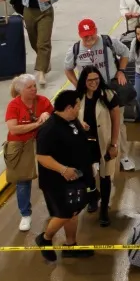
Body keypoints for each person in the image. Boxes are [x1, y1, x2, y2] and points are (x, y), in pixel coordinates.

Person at [32, 88, 96, 261]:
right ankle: (45, 238)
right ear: (69, 107)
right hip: (56, 182)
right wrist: (63, 169)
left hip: (75, 178)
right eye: (77, 106)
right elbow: (41, 157)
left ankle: (70, 245)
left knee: (73, 212)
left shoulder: (72, 121)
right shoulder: (49, 129)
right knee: (64, 213)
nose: (79, 109)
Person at [74, 65, 126, 226]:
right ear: (84, 81)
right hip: (84, 144)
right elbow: (71, 116)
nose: (94, 83)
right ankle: (92, 197)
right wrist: (79, 123)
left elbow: (116, 121)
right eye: (90, 80)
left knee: (105, 176)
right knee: (86, 175)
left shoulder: (108, 95)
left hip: (104, 143)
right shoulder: (78, 97)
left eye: (96, 79)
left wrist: (114, 144)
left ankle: (104, 209)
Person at [3, 73, 52, 231]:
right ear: (21, 91)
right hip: (21, 145)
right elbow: (14, 129)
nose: (34, 89)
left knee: (48, 176)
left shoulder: (43, 101)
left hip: (41, 143)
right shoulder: (14, 106)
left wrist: (48, 116)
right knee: (23, 181)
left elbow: (56, 119)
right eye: (29, 87)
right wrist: (38, 123)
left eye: (34, 86)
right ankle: (25, 214)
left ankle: (53, 208)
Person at [2, 0, 61, 77]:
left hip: (45, 12)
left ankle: (41, 72)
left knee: (43, 43)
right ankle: (44, 61)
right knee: (34, 41)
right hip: (28, 12)